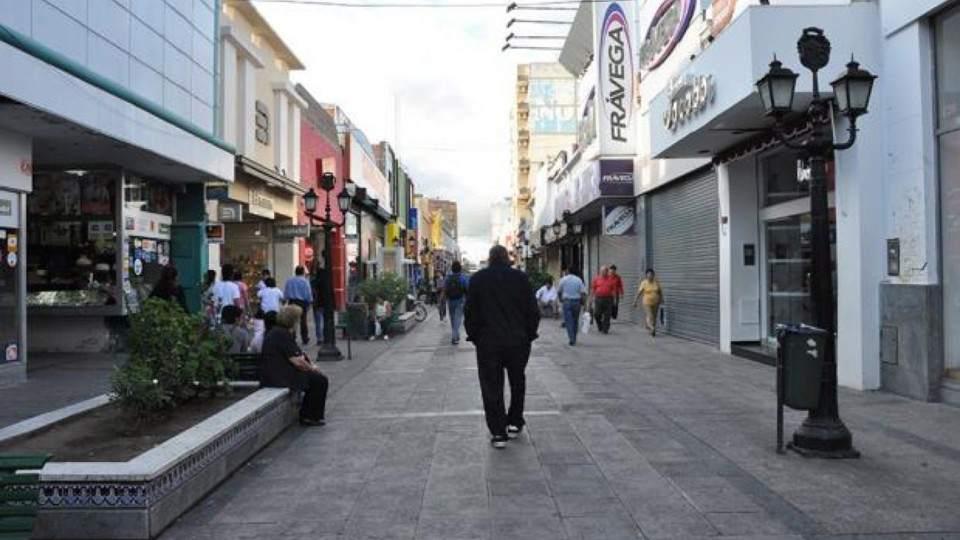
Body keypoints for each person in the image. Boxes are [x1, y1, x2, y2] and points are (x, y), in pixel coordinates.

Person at [464, 245, 539, 449]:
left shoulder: (478, 279)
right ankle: (514, 421)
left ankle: (498, 432)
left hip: (488, 342)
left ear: (490, 258)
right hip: (518, 341)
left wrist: (475, 336)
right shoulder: (521, 278)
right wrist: (529, 334)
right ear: (507, 258)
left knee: (491, 385)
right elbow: (532, 310)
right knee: (517, 381)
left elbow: (470, 311)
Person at [260, 305, 329, 426]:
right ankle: (309, 416)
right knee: (319, 380)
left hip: (277, 372)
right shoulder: (282, 334)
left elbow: (298, 355)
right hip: (279, 376)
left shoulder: (279, 332)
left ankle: (310, 414)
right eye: (298, 319)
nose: (299, 322)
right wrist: (312, 369)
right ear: (292, 320)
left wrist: (310, 367)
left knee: (316, 378)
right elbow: (297, 361)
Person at [283, 266, 313, 345]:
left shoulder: (289, 281)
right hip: (302, 303)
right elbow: (308, 293)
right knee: (303, 321)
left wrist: (285, 300)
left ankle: (292, 337)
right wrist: (310, 302)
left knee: (292, 320)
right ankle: (304, 338)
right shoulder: (305, 281)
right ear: (303, 272)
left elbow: (286, 292)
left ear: (295, 272)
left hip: (292, 302)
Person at [557, 267, 587, 346]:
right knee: (575, 320)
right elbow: (583, 293)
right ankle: (574, 337)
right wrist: (584, 303)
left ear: (568, 271)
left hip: (567, 302)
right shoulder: (579, 280)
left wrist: (560, 299)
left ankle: (571, 338)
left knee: (569, 321)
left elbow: (559, 291)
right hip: (576, 302)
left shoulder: (563, 279)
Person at [442, 261, 469, 345]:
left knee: (453, 319)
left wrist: (441, 300)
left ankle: (456, 335)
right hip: (460, 301)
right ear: (460, 269)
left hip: (450, 301)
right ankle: (455, 336)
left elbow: (444, 289)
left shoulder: (448, 278)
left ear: (452, 269)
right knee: (458, 319)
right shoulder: (463, 278)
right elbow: (467, 289)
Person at [633, 268, 663, 337]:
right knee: (650, 316)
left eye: (651, 274)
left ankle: (651, 330)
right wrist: (635, 301)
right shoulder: (644, 283)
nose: (650, 276)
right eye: (648, 274)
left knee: (654, 317)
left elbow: (660, 291)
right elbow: (639, 292)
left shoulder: (656, 282)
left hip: (656, 302)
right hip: (647, 302)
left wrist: (662, 299)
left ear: (653, 275)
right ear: (646, 275)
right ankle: (652, 328)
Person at [590, 266, 618, 334]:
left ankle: (605, 329)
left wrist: (614, 300)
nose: (602, 272)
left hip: (608, 299)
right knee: (596, 314)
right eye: (601, 271)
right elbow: (593, 289)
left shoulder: (611, 280)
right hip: (598, 299)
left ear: (607, 272)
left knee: (607, 315)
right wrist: (591, 298)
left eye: (604, 271)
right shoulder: (596, 279)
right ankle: (600, 325)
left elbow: (614, 290)